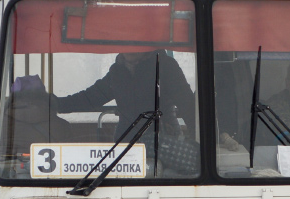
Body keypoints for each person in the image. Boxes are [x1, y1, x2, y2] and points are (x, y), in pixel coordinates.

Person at [53, 49, 195, 138]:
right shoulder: (117, 71)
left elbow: (187, 104)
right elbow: (90, 97)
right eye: (125, 43)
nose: (130, 47)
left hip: (164, 140)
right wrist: (54, 104)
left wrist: (199, 139)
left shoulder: (166, 66)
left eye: (135, 43)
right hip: (126, 142)